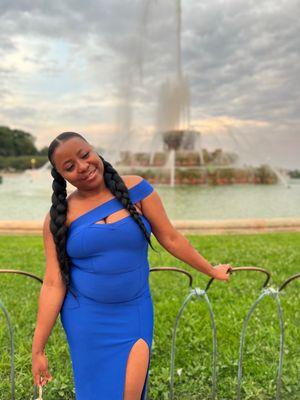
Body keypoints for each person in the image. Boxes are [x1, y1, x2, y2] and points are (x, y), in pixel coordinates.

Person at [31, 131, 231, 400]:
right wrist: (38, 350)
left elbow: (171, 238)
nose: (82, 167)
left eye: (84, 155)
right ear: (61, 175)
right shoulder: (59, 217)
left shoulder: (137, 189)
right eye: (69, 167)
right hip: (85, 317)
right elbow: (54, 282)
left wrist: (211, 269)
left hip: (132, 311)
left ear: (94, 150)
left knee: (131, 394)